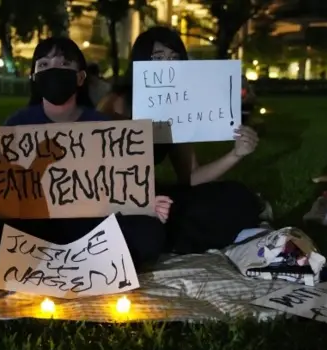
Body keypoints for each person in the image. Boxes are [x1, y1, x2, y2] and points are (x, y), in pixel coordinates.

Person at [0, 37, 173, 274]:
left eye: (64, 64)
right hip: (35, 226)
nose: (54, 71)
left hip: (88, 225)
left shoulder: (103, 125)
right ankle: (84, 261)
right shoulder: (16, 125)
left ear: (80, 77)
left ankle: (45, 260)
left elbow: (119, 186)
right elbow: (3, 188)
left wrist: (144, 203)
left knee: (149, 231)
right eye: (45, 65)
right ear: (34, 77)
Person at [97, 26, 263, 254]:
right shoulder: (116, 103)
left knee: (237, 197)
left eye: (174, 59)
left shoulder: (176, 108)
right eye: (158, 58)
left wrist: (235, 154)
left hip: (155, 197)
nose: (167, 66)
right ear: (141, 62)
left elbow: (191, 177)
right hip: (115, 199)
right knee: (149, 224)